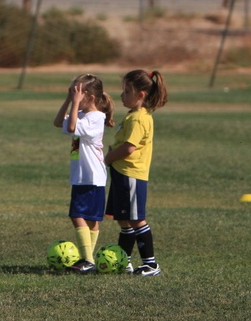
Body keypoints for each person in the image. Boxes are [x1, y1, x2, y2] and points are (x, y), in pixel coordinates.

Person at [104, 69, 169, 276]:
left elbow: (129, 147)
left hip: (131, 174)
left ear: (141, 94)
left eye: (127, 92)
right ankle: (124, 261)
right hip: (121, 173)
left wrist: (109, 157)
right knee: (124, 219)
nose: (122, 96)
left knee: (136, 219)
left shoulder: (139, 118)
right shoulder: (133, 115)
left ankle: (151, 264)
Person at [52, 74, 115, 274]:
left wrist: (75, 103)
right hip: (82, 176)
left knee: (78, 215)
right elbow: (57, 122)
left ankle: (87, 259)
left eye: (78, 93)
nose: (74, 97)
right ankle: (88, 259)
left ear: (90, 97)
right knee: (90, 220)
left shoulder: (96, 118)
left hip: (91, 177)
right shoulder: (79, 114)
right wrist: (69, 100)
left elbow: (71, 127)